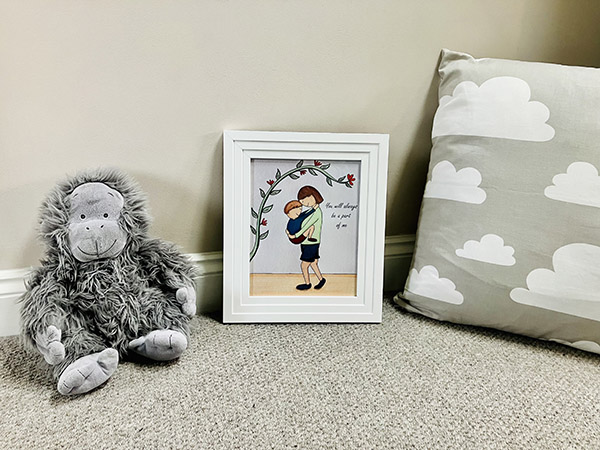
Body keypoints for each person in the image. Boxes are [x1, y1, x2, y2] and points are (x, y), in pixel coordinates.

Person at [286, 186, 326, 291]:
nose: (304, 203)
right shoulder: (312, 210)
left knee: (304, 265)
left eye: (305, 200)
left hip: (311, 243)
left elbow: (306, 226)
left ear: (313, 196)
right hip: (308, 242)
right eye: (302, 201)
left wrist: (294, 236)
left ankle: (307, 283)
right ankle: (321, 280)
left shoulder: (317, 212)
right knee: (313, 263)